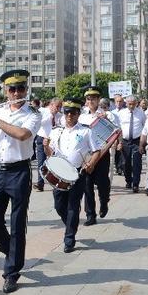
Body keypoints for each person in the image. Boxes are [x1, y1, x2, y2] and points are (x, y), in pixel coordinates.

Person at [0, 69, 42, 293]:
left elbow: (23, 135)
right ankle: (11, 252)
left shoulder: (33, 113)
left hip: (19, 171)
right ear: (5, 91)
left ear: (26, 89)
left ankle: (12, 272)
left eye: (20, 88)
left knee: (17, 223)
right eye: (12, 89)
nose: (16, 92)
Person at [44, 98, 100, 253]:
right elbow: (50, 153)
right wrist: (45, 148)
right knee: (59, 205)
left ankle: (69, 239)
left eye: (73, 113)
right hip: (60, 174)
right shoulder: (56, 131)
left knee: (73, 206)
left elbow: (96, 151)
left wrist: (91, 163)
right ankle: (71, 224)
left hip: (77, 173)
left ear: (78, 114)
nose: (70, 116)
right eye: (67, 112)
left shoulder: (86, 131)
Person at [79, 86, 118, 225]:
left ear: (98, 99)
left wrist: (106, 118)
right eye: (88, 98)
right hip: (87, 154)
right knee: (87, 185)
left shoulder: (108, 114)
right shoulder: (82, 116)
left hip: (102, 153)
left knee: (102, 182)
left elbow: (116, 131)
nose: (91, 101)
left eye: (94, 98)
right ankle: (91, 215)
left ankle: (104, 201)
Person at [117, 95, 146, 192]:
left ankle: (136, 184)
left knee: (137, 163)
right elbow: (118, 129)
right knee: (125, 163)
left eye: (133, 104)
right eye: (130, 104)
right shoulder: (121, 113)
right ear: (126, 103)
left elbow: (144, 127)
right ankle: (128, 180)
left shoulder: (141, 113)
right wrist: (119, 142)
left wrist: (143, 143)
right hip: (125, 141)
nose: (132, 106)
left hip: (137, 141)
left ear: (136, 103)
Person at [34, 97, 62, 192]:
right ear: (51, 105)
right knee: (41, 162)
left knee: (55, 161)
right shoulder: (42, 111)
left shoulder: (59, 115)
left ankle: (57, 181)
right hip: (42, 138)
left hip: (54, 140)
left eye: (60, 107)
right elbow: (39, 123)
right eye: (57, 106)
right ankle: (40, 183)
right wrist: (51, 115)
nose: (58, 109)